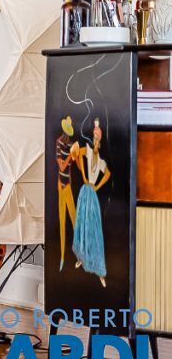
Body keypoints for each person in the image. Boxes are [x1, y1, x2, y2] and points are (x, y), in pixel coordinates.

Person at [73, 118, 111, 286]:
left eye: (97, 140)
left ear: (99, 143)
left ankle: (99, 270)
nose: (95, 142)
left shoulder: (101, 162)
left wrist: (98, 186)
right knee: (82, 224)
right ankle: (82, 256)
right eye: (94, 138)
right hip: (84, 192)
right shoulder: (87, 151)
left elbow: (107, 174)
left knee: (93, 228)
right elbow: (76, 152)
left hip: (92, 194)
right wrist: (82, 174)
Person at [55, 116, 80, 270]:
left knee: (74, 220)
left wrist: (77, 153)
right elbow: (62, 166)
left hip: (68, 185)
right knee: (62, 222)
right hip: (61, 186)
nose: (68, 134)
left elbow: (75, 163)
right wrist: (71, 154)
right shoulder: (59, 143)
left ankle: (79, 254)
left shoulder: (71, 144)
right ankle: (62, 257)